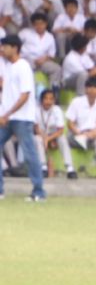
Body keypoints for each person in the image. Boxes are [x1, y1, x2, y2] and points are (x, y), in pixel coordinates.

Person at [0, 35, 45, 201]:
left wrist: (6, 114)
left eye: (5, 46)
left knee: (29, 153)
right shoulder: (8, 67)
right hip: (8, 117)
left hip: (22, 118)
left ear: (15, 48)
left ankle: (39, 192)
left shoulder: (23, 66)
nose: (2, 49)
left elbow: (24, 95)